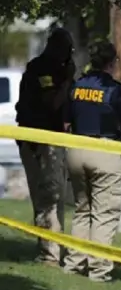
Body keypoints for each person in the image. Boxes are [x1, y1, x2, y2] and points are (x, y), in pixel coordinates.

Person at [62, 40, 121, 282]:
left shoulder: (76, 87)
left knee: (81, 211)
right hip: (106, 153)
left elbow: (65, 124)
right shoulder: (117, 91)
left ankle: (74, 263)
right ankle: (98, 270)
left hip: (77, 151)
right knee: (104, 213)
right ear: (113, 62)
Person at [15, 27, 76, 266]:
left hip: (43, 139)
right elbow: (52, 103)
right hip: (40, 141)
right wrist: (69, 80)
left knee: (48, 197)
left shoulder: (45, 67)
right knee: (49, 196)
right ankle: (50, 254)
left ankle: (50, 249)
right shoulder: (42, 69)